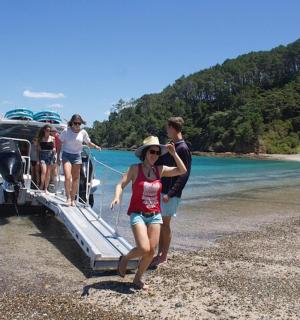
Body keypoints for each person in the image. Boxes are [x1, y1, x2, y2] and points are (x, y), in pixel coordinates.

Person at [110, 136, 187, 290]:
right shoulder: (134, 169)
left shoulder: (160, 170)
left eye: (158, 153)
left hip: (155, 215)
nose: (155, 155)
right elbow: (121, 184)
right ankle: (125, 259)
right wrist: (117, 197)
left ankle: (137, 279)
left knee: (151, 252)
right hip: (137, 214)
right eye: (152, 151)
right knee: (144, 248)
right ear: (145, 152)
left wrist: (173, 154)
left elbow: (182, 170)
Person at [150, 117, 192, 268]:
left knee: (165, 225)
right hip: (163, 191)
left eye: (167, 128)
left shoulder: (182, 148)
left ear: (173, 128)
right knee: (161, 224)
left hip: (170, 194)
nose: (166, 130)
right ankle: (160, 254)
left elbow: (184, 174)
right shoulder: (174, 146)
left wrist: (171, 193)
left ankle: (164, 256)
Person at [58, 114, 101, 206]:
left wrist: (96, 146)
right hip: (66, 155)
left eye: (79, 123)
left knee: (76, 179)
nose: (77, 125)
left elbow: (88, 143)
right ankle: (68, 198)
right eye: (75, 123)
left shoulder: (83, 132)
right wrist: (57, 155)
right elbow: (59, 142)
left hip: (77, 156)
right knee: (67, 177)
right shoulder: (66, 131)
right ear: (72, 123)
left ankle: (73, 199)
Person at [37, 124, 56, 193]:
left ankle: (45, 188)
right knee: (44, 172)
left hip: (50, 156)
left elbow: (54, 147)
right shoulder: (41, 138)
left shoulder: (52, 138)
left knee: (48, 173)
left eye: (50, 130)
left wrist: (54, 149)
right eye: (47, 130)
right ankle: (41, 185)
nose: (49, 132)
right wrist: (38, 160)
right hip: (43, 156)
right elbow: (38, 150)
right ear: (44, 130)